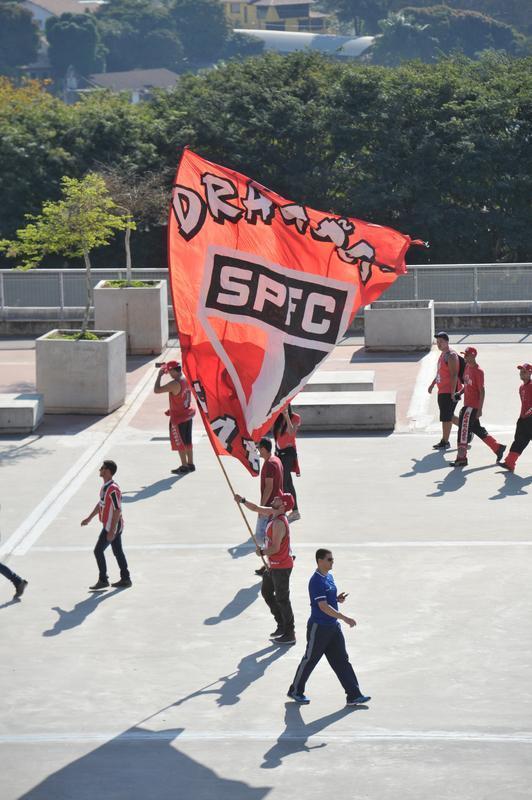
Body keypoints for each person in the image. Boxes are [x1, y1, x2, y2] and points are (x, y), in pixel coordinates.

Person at [287, 548, 370, 707]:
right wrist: (345, 618)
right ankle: (295, 690)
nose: (332, 562)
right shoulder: (316, 581)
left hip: (333, 628)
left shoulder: (329, 577)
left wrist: (337, 599)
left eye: (332, 559)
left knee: (342, 661)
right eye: (329, 559)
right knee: (310, 660)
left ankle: (354, 695)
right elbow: (323, 606)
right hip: (319, 628)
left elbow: (328, 600)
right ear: (320, 561)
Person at [234, 492, 296, 645]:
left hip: (281, 566)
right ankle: (281, 624)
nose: (275, 497)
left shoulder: (279, 523)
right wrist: (242, 500)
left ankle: (290, 633)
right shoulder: (273, 513)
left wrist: (261, 552)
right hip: (273, 565)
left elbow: (274, 548)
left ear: (283, 506)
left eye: (278, 498)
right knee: (267, 592)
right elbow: (256, 508)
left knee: (282, 599)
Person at [450, 347, 506, 467]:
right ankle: (497, 448)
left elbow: (482, 391)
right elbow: (467, 384)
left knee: (463, 431)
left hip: (472, 407)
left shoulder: (479, 372)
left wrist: (480, 409)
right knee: (477, 430)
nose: (464, 357)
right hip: (467, 404)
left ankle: (461, 458)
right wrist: (459, 393)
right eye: (464, 355)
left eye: (466, 355)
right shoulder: (467, 367)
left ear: (473, 356)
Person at [81, 460, 132, 590]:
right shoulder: (105, 487)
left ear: (108, 471)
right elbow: (101, 505)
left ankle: (103, 580)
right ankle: (125, 578)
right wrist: (89, 518)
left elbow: (117, 510)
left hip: (112, 526)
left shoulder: (113, 489)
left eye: (102, 468)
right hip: (110, 526)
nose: (100, 470)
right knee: (118, 552)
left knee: (98, 551)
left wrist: (112, 530)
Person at [154, 361, 196, 474]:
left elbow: (156, 390)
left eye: (169, 371)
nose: (169, 374)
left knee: (179, 442)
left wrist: (159, 376)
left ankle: (184, 466)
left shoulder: (175, 383)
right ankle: (191, 464)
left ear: (173, 370)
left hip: (178, 418)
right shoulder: (185, 379)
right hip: (187, 414)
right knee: (188, 440)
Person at [254, 437, 283, 577]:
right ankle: (267, 564)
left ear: (264, 449)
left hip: (270, 507)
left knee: (263, 537)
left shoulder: (270, 464)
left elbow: (269, 487)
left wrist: (261, 508)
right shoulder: (276, 460)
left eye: (259, 447)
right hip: (277, 505)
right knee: (269, 537)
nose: (258, 450)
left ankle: (270, 565)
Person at [428, 331, 462, 450]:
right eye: (437, 342)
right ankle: (467, 429)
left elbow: (454, 375)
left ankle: (445, 441)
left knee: (446, 417)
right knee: (448, 416)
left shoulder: (451, 355)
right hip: (442, 390)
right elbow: (440, 372)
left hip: (449, 391)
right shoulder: (443, 355)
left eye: (441, 342)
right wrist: (432, 384)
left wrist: (453, 393)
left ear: (447, 342)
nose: (439, 344)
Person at [501, 363, 532, 473]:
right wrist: (522, 417)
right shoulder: (521, 387)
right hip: (523, 420)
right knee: (518, 441)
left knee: (520, 441)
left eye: (524, 372)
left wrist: (528, 413)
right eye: (520, 371)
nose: (521, 373)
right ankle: (509, 463)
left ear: (530, 373)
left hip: (530, 419)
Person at [273, 404, 301, 522]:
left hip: (288, 453)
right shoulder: (277, 419)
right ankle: (293, 510)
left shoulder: (295, 418)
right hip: (279, 453)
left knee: (284, 482)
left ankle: (289, 510)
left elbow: (291, 433)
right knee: (287, 482)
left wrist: (286, 417)